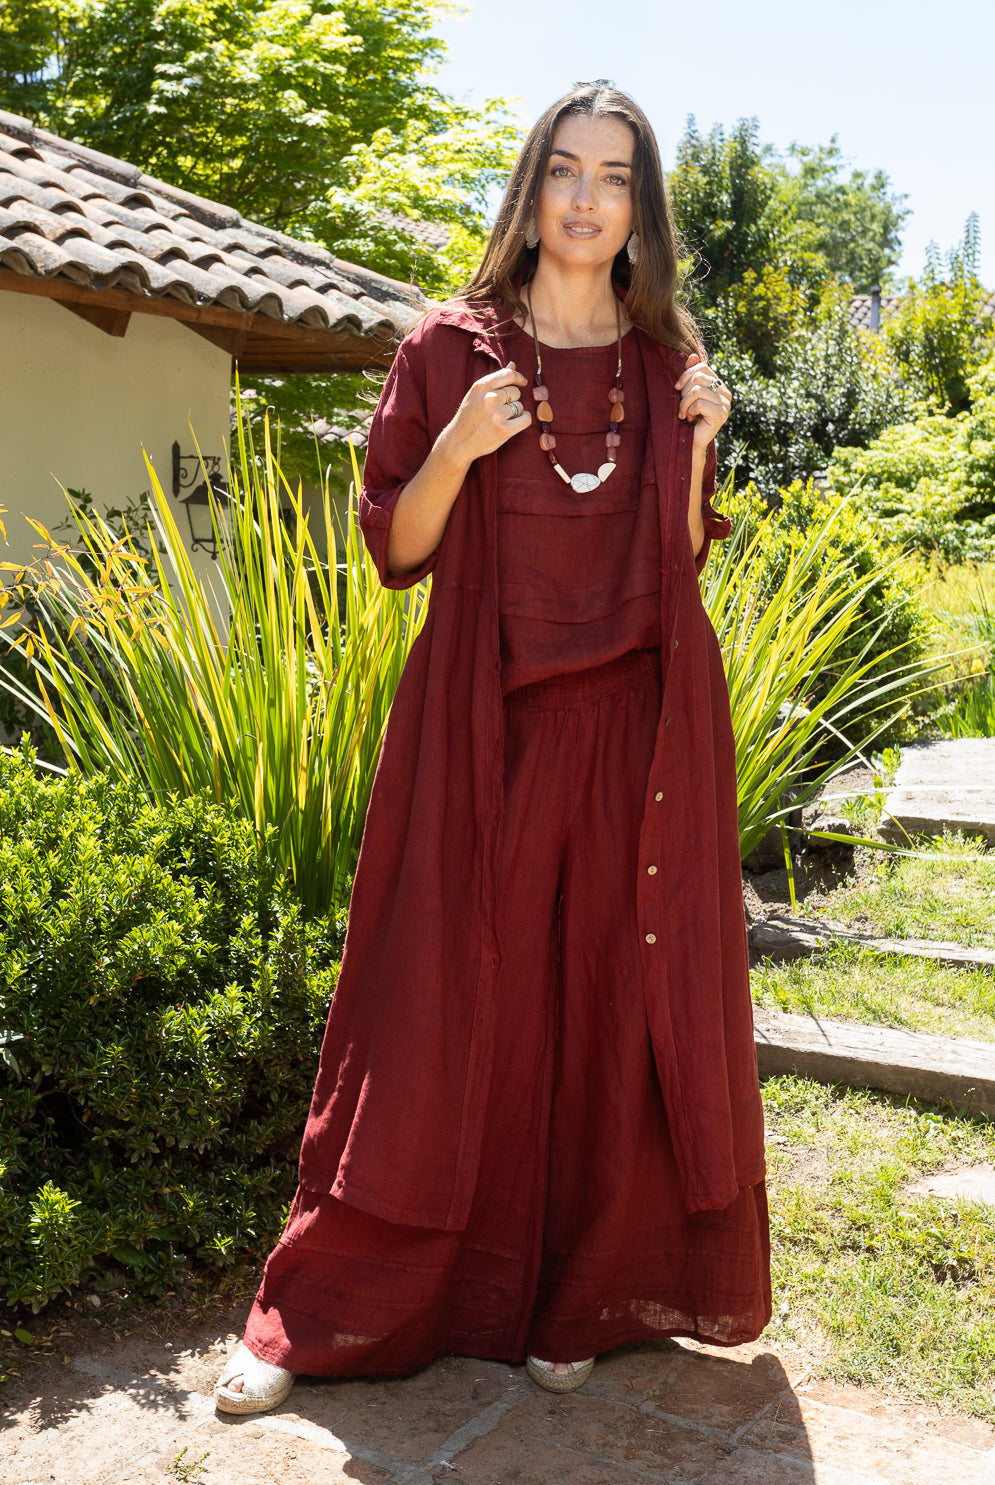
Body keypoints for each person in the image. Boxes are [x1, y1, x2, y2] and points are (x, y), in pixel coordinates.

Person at [215, 82, 771, 1414]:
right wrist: (459, 447)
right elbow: (398, 550)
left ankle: (578, 1297)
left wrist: (703, 443)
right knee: (434, 1012)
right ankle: (322, 1311)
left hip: (632, 737)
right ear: (530, 189)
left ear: (641, 210)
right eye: (566, 170)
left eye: (616, 178)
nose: (587, 199)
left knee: (609, 1013)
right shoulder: (448, 351)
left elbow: (678, 560)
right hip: (485, 731)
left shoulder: (665, 365)